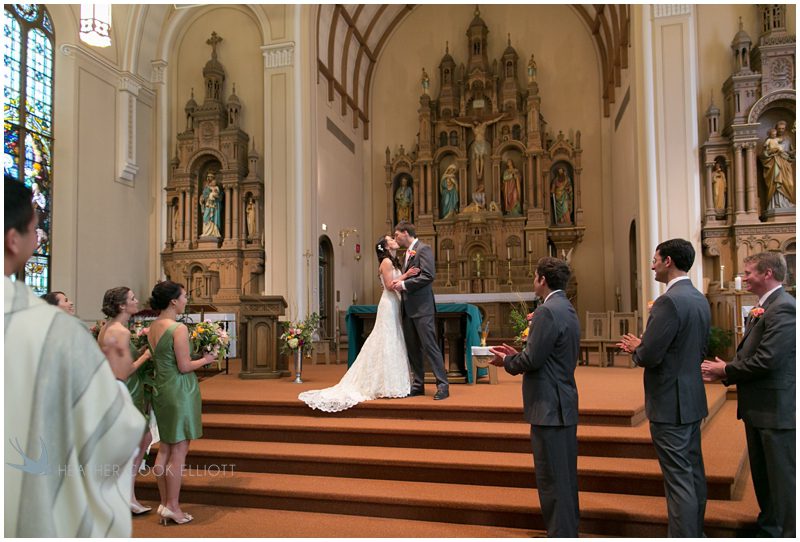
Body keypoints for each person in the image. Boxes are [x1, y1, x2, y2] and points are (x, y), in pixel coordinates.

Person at [5, 176, 144, 537]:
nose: (38, 240)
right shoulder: (51, 330)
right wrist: (113, 378)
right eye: (36, 230)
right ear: (13, 238)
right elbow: (116, 429)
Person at [617, 238, 710, 537]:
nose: (652, 264)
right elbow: (697, 348)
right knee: (693, 474)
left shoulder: (668, 301)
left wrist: (636, 348)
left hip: (670, 402)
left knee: (678, 480)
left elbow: (650, 355)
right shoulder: (698, 297)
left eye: (655, 259)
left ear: (668, 261)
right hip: (692, 396)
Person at [701, 252, 795, 537]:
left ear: (768, 274)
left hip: (775, 408)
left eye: (749, 272)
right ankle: (769, 525)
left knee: (781, 478)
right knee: (765, 477)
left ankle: (786, 531)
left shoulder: (783, 308)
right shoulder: (766, 306)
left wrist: (726, 369)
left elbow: (768, 359)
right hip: (760, 407)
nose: (744, 277)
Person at [488, 257, 580, 537]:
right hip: (563, 399)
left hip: (548, 404)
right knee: (564, 476)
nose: (533, 280)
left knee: (552, 478)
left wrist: (508, 361)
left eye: (535, 276)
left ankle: (560, 534)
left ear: (542, 279)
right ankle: (567, 530)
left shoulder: (546, 311)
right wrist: (517, 355)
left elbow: (534, 359)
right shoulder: (566, 306)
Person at [299, 235, 420, 411]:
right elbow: (388, 285)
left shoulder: (393, 261)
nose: (394, 240)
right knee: (386, 339)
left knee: (393, 340)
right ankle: (383, 383)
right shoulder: (386, 262)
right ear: (385, 247)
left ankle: (390, 382)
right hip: (388, 304)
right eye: (390, 240)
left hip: (395, 303)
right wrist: (407, 275)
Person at [147, 280, 217, 525]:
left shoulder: (153, 327)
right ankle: (174, 507)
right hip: (179, 390)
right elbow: (185, 366)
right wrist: (207, 359)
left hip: (162, 390)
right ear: (173, 301)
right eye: (184, 296)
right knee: (178, 451)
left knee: (164, 449)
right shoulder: (177, 328)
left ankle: (165, 504)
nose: (186, 300)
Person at [98, 286, 155, 515]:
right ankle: (126, 496)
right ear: (122, 306)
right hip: (124, 390)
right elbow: (123, 371)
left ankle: (124, 495)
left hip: (119, 390)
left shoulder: (109, 327)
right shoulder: (118, 331)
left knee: (139, 440)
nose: (137, 300)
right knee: (138, 441)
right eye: (132, 298)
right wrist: (145, 356)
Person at [389, 221, 449, 400]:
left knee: (430, 346)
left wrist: (404, 284)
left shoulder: (424, 249)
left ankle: (443, 386)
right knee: (413, 348)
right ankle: (418, 384)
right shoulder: (407, 253)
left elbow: (428, 275)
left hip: (422, 308)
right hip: (408, 308)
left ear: (405, 232)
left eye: (397, 234)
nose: (395, 238)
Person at [453, 114, 504, 179]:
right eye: (473, 122)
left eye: (475, 121)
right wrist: (456, 121)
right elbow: (464, 124)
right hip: (476, 142)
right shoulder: (473, 127)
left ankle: (481, 172)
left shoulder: (484, 124)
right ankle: (477, 172)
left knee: (481, 157)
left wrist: (501, 116)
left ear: (478, 121)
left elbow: (493, 121)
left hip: (482, 142)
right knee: (477, 157)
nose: (474, 123)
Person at [760, 120, 795, 210]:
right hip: (774, 163)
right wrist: (771, 152)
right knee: (776, 182)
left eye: (783, 129)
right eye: (779, 129)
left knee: (789, 184)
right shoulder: (770, 140)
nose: (781, 130)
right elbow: (763, 154)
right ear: (775, 129)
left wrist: (793, 153)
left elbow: (791, 152)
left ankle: (787, 203)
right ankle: (775, 204)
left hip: (786, 163)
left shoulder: (788, 139)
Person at [200, 172, 222, 238]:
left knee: (213, 218)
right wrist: (202, 198)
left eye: (210, 177)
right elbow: (203, 196)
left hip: (214, 206)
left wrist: (215, 195)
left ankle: (214, 232)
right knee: (205, 217)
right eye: (208, 177)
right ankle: (206, 232)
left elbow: (219, 196)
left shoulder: (216, 188)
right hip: (208, 205)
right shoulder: (206, 188)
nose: (209, 178)